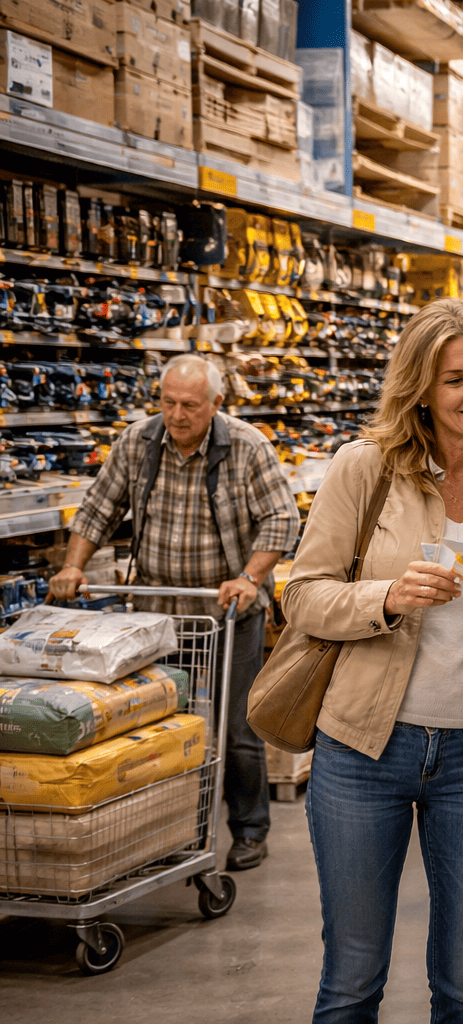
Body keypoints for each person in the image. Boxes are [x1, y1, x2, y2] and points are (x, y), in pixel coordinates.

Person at [281, 298, 463, 1022]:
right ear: (421, 392)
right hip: (364, 750)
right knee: (353, 977)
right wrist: (387, 597)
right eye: (455, 378)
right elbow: (302, 596)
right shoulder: (365, 469)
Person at [51, 354, 300, 873]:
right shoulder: (138, 443)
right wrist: (73, 567)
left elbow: (282, 519)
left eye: (190, 405)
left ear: (216, 404)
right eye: (168, 402)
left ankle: (249, 830)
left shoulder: (247, 447)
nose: (177, 414)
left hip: (228, 611)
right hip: (159, 614)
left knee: (237, 728)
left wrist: (249, 578)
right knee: (163, 727)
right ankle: (166, 829)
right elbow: (99, 507)